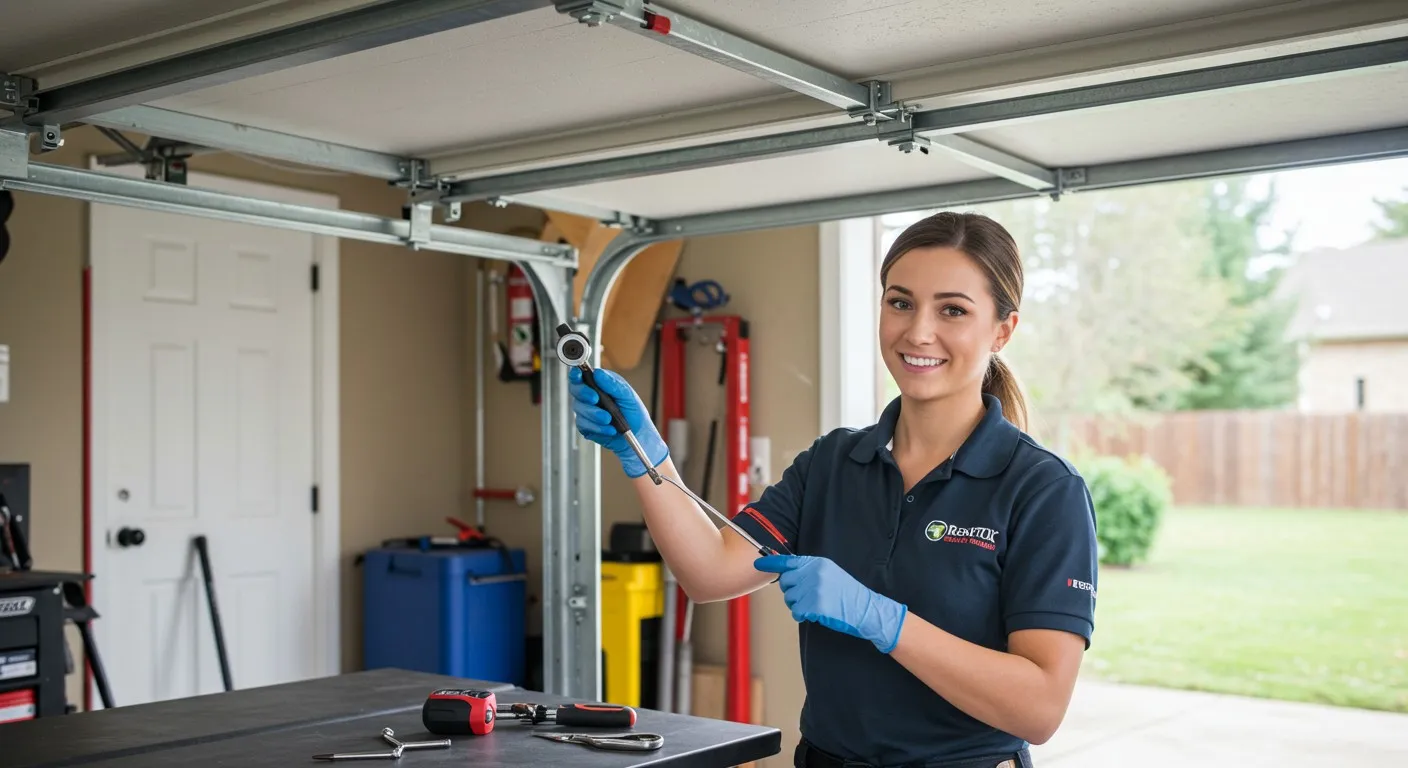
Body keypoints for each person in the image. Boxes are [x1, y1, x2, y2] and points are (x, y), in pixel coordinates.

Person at [568, 211, 1098, 768]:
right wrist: (646, 455)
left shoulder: (1043, 490)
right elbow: (708, 573)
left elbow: (1038, 710)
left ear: (1002, 331)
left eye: (953, 310)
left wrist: (881, 619)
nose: (918, 331)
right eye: (900, 302)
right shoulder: (834, 463)